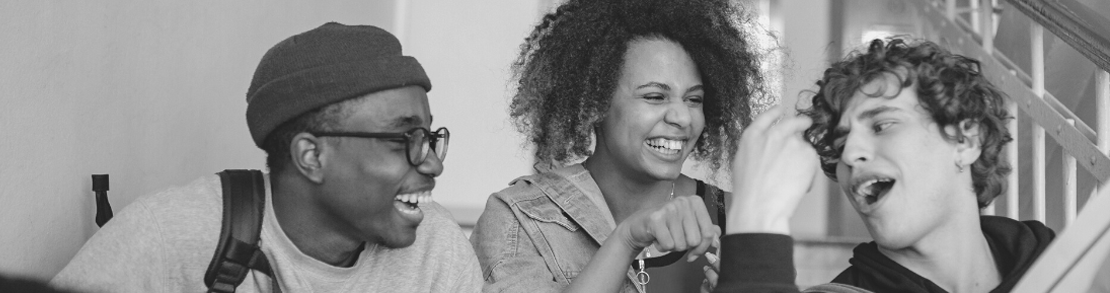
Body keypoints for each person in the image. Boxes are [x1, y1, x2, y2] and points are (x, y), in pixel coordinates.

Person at [50, 23, 482, 292]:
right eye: (404, 137)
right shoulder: (170, 235)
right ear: (311, 156)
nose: (432, 163)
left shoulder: (437, 250)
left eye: (428, 136)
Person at [469, 0, 771, 292]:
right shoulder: (519, 217)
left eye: (694, 99)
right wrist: (626, 240)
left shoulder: (738, 220)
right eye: (655, 96)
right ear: (594, 103)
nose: (682, 117)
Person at [715, 38, 1055, 293]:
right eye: (841, 142)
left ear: (966, 141)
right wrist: (755, 225)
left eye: (882, 125)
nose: (849, 155)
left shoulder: (1066, 267)